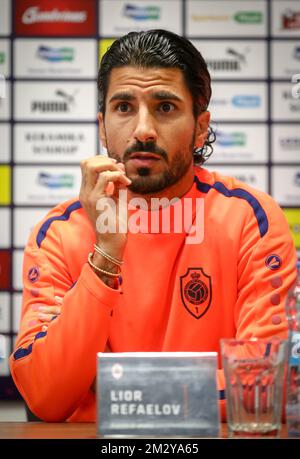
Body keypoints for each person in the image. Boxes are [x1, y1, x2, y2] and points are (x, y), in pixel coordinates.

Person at [10, 29, 297, 422]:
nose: (143, 129)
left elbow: (264, 386)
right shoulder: (59, 234)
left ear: (200, 127)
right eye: (124, 107)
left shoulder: (250, 219)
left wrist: (112, 390)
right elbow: (45, 395)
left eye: (164, 107)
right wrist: (106, 253)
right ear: (103, 125)